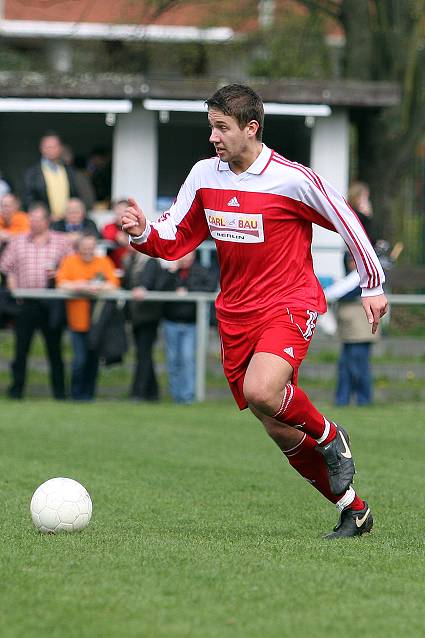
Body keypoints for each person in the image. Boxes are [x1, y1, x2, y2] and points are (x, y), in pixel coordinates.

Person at [122, 84, 388, 539]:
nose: (213, 137)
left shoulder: (291, 179)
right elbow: (173, 235)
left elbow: (347, 218)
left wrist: (372, 283)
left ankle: (331, 437)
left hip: (289, 303)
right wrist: (143, 231)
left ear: (251, 128)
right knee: (278, 428)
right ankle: (354, 510)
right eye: (211, 127)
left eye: (221, 127)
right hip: (236, 314)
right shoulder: (204, 175)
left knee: (263, 391)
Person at [0, 203, 73, 399]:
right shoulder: (18, 241)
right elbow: (7, 268)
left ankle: (60, 393)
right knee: (21, 350)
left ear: (47, 221)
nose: (33, 223)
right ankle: (16, 391)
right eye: (30, 219)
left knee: (54, 350)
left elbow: (71, 266)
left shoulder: (61, 241)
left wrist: (58, 274)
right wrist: (13, 288)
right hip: (26, 302)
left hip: (51, 301)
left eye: (37, 219)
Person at [56, 233, 119, 401]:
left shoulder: (103, 262)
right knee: (79, 360)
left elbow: (113, 285)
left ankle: (89, 395)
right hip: (76, 322)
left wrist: (96, 288)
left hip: (97, 323)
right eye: (84, 248)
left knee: (93, 361)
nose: (88, 251)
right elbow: (61, 284)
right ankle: (76, 394)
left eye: (91, 248)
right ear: (78, 248)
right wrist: (80, 287)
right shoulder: (70, 261)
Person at [156, 251, 217, 404]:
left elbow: (210, 287)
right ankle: (176, 396)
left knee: (187, 358)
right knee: (173, 360)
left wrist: (188, 291)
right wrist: (171, 272)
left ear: (193, 255)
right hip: (171, 322)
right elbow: (159, 287)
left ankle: (187, 396)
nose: (184, 257)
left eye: (187, 254)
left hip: (191, 323)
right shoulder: (170, 271)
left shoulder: (201, 270)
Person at [327, 251, 379, 406]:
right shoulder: (350, 278)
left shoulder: (364, 278)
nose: (352, 264)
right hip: (348, 331)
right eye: (349, 260)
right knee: (344, 368)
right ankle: (342, 400)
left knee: (359, 368)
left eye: (354, 260)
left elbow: (342, 294)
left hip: (361, 331)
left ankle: (364, 401)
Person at [122, 252, 164, 402]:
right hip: (136, 316)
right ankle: (152, 393)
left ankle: (138, 392)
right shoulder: (130, 260)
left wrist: (143, 288)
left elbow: (148, 283)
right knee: (144, 354)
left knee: (143, 354)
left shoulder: (150, 261)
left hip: (148, 316)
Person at [23, 132, 80, 220]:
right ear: (41, 149)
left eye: (54, 146)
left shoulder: (69, 171)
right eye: (48, 147)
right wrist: (45, 215)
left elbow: (75, 195)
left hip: (67, 221)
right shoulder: (32, 173)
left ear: (61, 148)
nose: (51, 150)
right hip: (44, 222)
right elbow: (29, 199)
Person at [101, 199, 130, 269]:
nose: (119, 212)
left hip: (129, 265)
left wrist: (127, 241)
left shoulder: (134, 226)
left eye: (123, 210)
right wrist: (117, 236)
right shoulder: (109, 226)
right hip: (111, 264)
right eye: (118, 209)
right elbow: (107, 235)